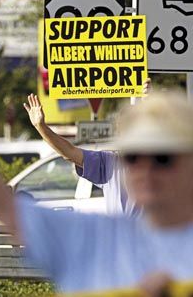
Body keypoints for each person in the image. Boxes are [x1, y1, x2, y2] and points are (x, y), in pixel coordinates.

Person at [0, 43, 193, 295]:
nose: (144, 169)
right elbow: (6, 207)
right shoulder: (95, 238)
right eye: (134, 156)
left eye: (163, 157)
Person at [22, 82, 150, 216]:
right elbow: (69, 152)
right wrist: (41, 127)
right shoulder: (109, 162)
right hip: (121, 236)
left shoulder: (164, 162)